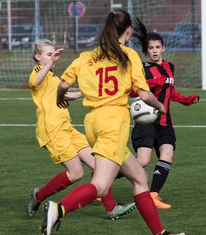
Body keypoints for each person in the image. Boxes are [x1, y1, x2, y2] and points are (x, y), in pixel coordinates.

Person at [40, 10, 185, 235]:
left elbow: (63, 86)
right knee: (101, 185)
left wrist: (61, 99)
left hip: (93, 123)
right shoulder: (128, 55)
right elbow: (145, 95)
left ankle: (161, 233)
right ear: (128, 31)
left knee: (139, 178)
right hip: (113, 122)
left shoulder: (86, 56)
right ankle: (58, 209)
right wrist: (160, 107)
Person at [27, 39, 136, 221]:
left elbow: (63, 95)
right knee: (76, 173)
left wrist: (86, 92)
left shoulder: (53, 76)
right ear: (38, 57)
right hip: (52, 130)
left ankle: (111, 207)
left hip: (67, 128)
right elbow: (35, 82)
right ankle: (38, 196)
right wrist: (50, 64)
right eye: (48, 54)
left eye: (54, 53)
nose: (53, 57)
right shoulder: (39, 71)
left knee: (97, 165)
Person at [131, 20, 199, 209]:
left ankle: (153, 195)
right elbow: (132, 91)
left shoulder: (170, 67)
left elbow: (171, 91)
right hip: (145, 120)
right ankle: (103, 182)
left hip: (164, 121)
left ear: (163, 48)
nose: (154, 51)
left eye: (157, 47)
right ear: (146, 51)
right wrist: (151, 84)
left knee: (167, 154)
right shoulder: (143, 69)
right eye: (150, 48)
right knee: (142, 161)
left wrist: (186, 100)